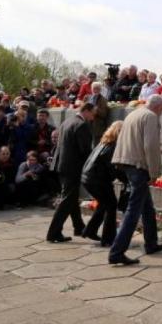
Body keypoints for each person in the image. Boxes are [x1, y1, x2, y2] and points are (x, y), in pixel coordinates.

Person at [108, 95, 162, 265]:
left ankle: (151, 243)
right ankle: (117, 252)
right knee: (134, 210)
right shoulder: (150, 116)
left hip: (127, 162)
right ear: (157, 107)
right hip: (139, 165)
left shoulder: (133, 114)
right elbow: (150, 145)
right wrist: (154, 171)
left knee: (147, 207)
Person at [46, 103, 95, 242]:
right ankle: (53, 233)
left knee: (71, 197)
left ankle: (79, 227)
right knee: (67, 200)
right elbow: (85, 150)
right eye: (92, 113)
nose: (93, 117)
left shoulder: (67, 121)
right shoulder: (81, 125)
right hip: (72, 167)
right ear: (86, 111)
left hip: (62, 165)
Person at [81, 121, 125, 247]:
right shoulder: (113, 146)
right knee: (111, 205)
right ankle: (108, 239)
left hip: (89, 177)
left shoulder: (104, 142)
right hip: (97, 180)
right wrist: (125, 179)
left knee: (104, 204)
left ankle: (90, 230)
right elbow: (113, 167)